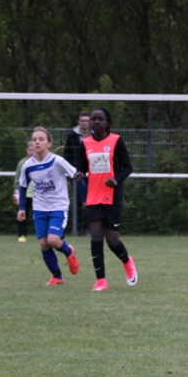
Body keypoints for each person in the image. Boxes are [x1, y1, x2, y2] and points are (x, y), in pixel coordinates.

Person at [75, 107, 138, 291]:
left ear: (107, 123)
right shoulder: (85, 143)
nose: (96, 122)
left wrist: (116, 180)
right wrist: (79, 174)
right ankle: (101, 281)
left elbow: (128, 168)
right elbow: (81, 167)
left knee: (112, 240)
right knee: (96, 235)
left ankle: (127, 261)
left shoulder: (116, 141)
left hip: (112, 197)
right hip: (93, 196)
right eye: (93, 119)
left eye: (100, 119)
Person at [17, 127, 80, 285]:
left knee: (53, 240)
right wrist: (22, 207)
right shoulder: (27, 165)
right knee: (44, 243)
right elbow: (23, 186)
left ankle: (69, 251)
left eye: (41, 139)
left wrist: (85, 197)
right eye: (34, 140)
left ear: (49, 144)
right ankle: (57, 276)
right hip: (39, 208)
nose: (37, 142)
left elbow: (76, 176)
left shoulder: (57, 161)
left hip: (58, 206)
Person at [64, 111, 91, 213]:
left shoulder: (94, 135)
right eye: (82, 121)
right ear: (79, 122)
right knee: (77, 198)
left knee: (91, 197)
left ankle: (91, 222)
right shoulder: (72, 136)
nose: (84, 123)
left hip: (91, 170)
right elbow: (67, 153)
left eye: (86, 121)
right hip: (76, 170)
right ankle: (78, 223)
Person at [13, 141, 33, 242]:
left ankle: (45, 235)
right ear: (26, 151)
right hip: (25, 194)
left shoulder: (42, 162)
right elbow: (17, 178)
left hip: (39, 194)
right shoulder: (22, 163)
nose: (32, 152)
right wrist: (16, 191)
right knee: (23, 214)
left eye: (34, 150)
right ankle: (22, 235)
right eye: (30, 150)